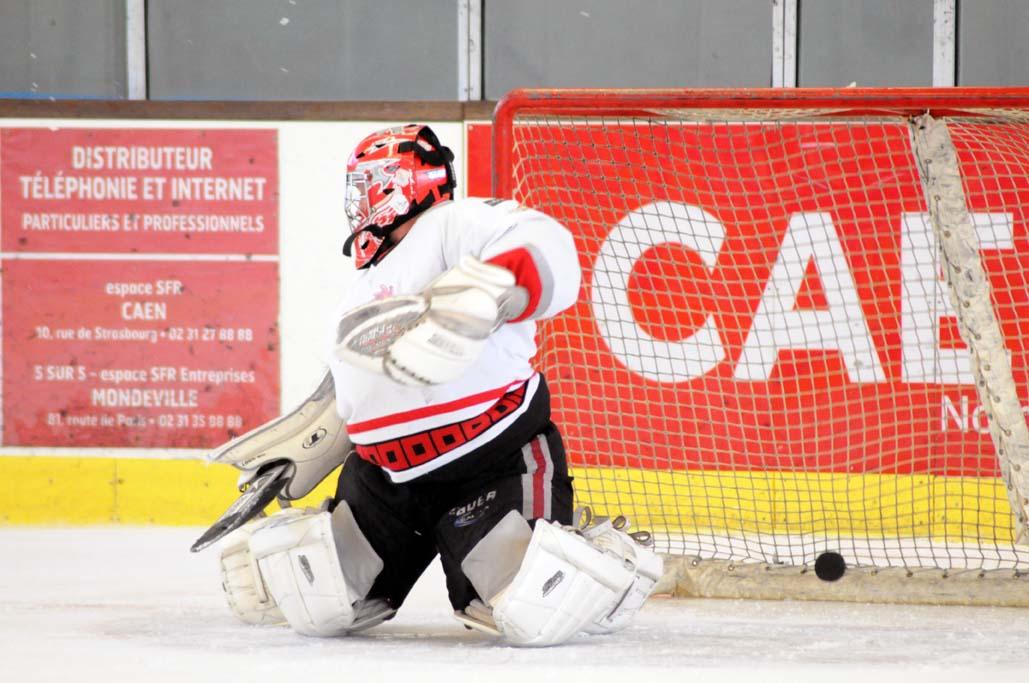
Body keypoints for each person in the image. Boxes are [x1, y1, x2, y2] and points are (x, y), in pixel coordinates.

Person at [213, 124, 662, 647]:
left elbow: (545, 243)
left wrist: (492, 294)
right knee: (320, 608)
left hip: (488, 464)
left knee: (533, 609)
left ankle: (606, 562)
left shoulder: (452, 224)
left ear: (401, 184)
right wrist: (306, 450)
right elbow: (355, 393)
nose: (356, 200)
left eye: (366, 184)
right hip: (384, 482)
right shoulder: (364, 286)